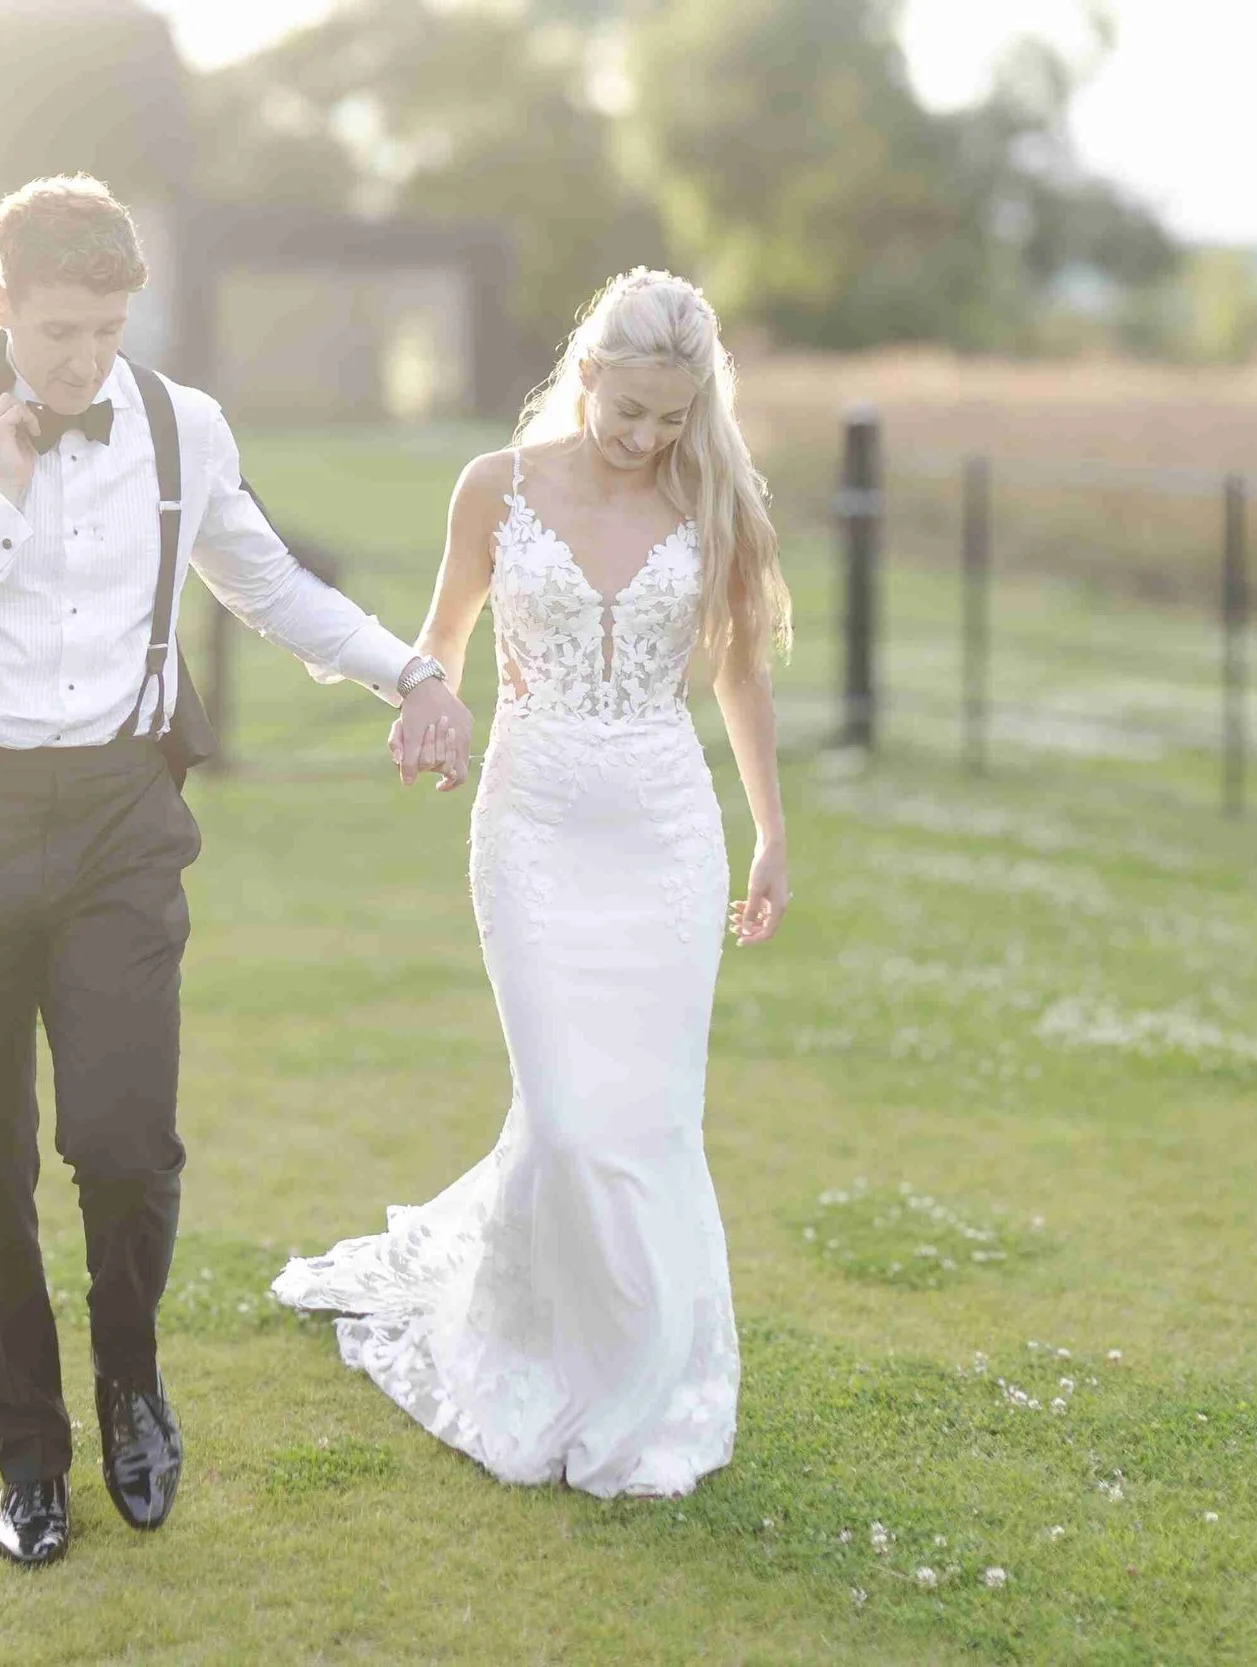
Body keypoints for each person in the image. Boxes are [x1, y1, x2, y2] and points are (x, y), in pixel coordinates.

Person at [0, 175, 473, 1567]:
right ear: (0, 306)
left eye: (108, 331)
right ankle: (27, 1455)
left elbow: (268, 583)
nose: (83, 362)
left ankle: (130, 1374)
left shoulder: (182, 427)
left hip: (121, 817)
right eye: (57, 332)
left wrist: (412, 671)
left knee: (125, 1139)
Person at [272, 268, 791, 1498]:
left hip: (666, 832)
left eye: (673, 417)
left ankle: (644, 1381)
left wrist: (770, 832)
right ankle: (527, 1354)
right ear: (587, 375)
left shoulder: (712, 499)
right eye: (630, 410)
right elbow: (442, 640)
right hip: (535, 827)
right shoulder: (494, 490)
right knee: (564, 1117)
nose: (647, 436)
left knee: (649, 1119)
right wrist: (427, 702)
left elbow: (738, 677)